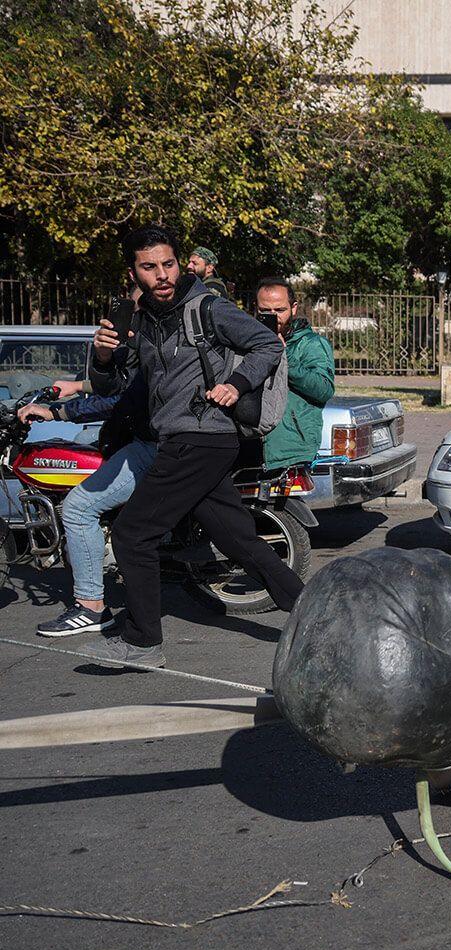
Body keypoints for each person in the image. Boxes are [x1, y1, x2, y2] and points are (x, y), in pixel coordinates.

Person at [78, 224, 303, 667]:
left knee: (132, 533)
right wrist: (102, 357)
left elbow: (266, 346)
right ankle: (319, 611)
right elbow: (115, 383)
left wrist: (236, 385)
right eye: (150, 267)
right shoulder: (139, 321)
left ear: (179, 264)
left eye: (168, 263)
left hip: (202, 436)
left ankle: (143, 642)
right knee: (239, 542)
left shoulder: (209, 308)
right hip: (184, 440)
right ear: (134, 273)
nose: (162, 274)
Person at [18, 369, 155, 637]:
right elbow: (126, 381)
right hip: (143, 435)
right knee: (84, 444)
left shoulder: (149, 332)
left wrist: (56, 412)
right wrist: (78, 385)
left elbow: (124, 396)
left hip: (151, 443)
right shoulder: (152, 334)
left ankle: (91, 607)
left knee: (78, 508)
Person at [252, 278, 334, 472]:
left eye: (280, 310)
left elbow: (323, 389)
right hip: (251, 441)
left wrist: (284, 355)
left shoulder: (312, 344)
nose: (274, 316)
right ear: (256, 309)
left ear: (293, 308)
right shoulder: (248, 341)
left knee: (289, 502)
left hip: (290, 445)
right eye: (265, 311)